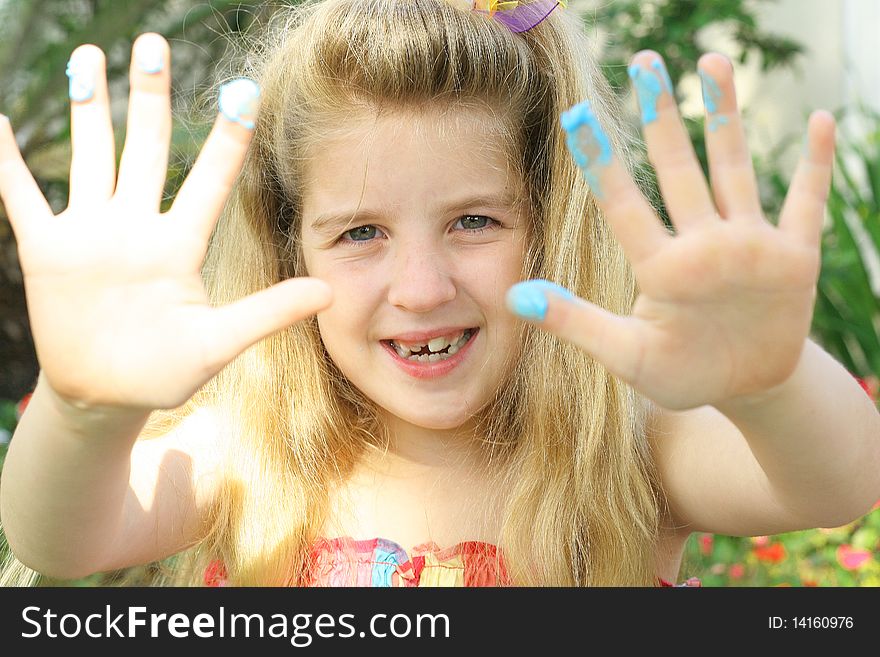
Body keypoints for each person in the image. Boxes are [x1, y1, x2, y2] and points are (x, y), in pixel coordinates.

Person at [0, 0, 878, 588]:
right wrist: (83, 411)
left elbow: (839, 480)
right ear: (282, 244)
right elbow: (60, 539)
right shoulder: (249, 454)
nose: (421, 289)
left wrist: (770, 381)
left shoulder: (632, 445)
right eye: (360, 233)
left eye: (475, 223)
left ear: (550, 224)